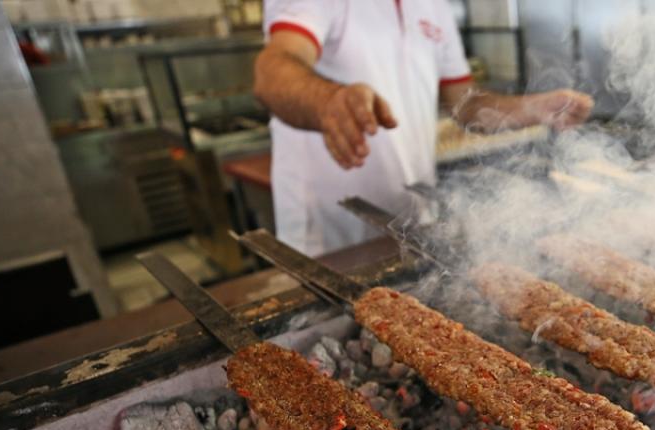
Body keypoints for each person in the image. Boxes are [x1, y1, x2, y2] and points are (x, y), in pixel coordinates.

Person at [254, 0, 593, 255]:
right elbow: (272, 71)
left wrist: (532, 108)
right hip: (332, 231)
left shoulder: (434, 6)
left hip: (409, 215)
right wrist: (328, 102)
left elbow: (465, 105)